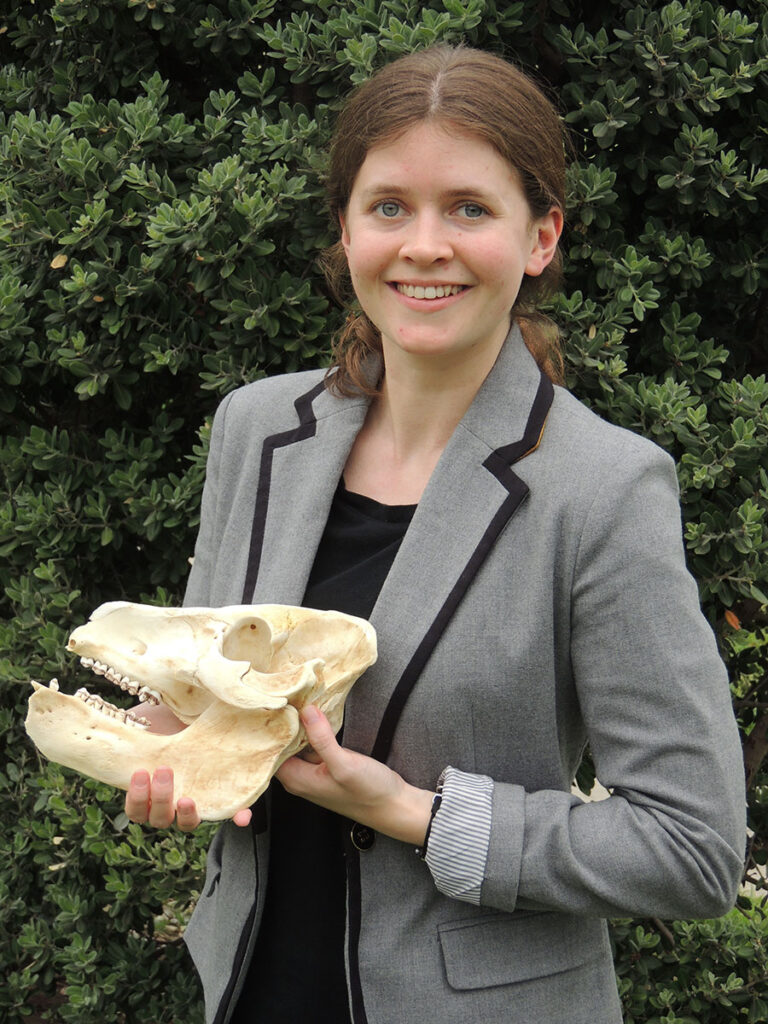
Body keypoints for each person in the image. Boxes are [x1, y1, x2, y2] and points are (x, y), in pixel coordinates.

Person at [125, 45, 746, 1024]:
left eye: (468, 207)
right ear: (344, 227)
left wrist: (412, 813)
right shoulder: (258, 429)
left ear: (540, 236)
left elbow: (693, 848)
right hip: (253, 994)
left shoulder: (604, 488)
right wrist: (168, 758)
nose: (423, 244)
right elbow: (200, 703)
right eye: (388, 207)